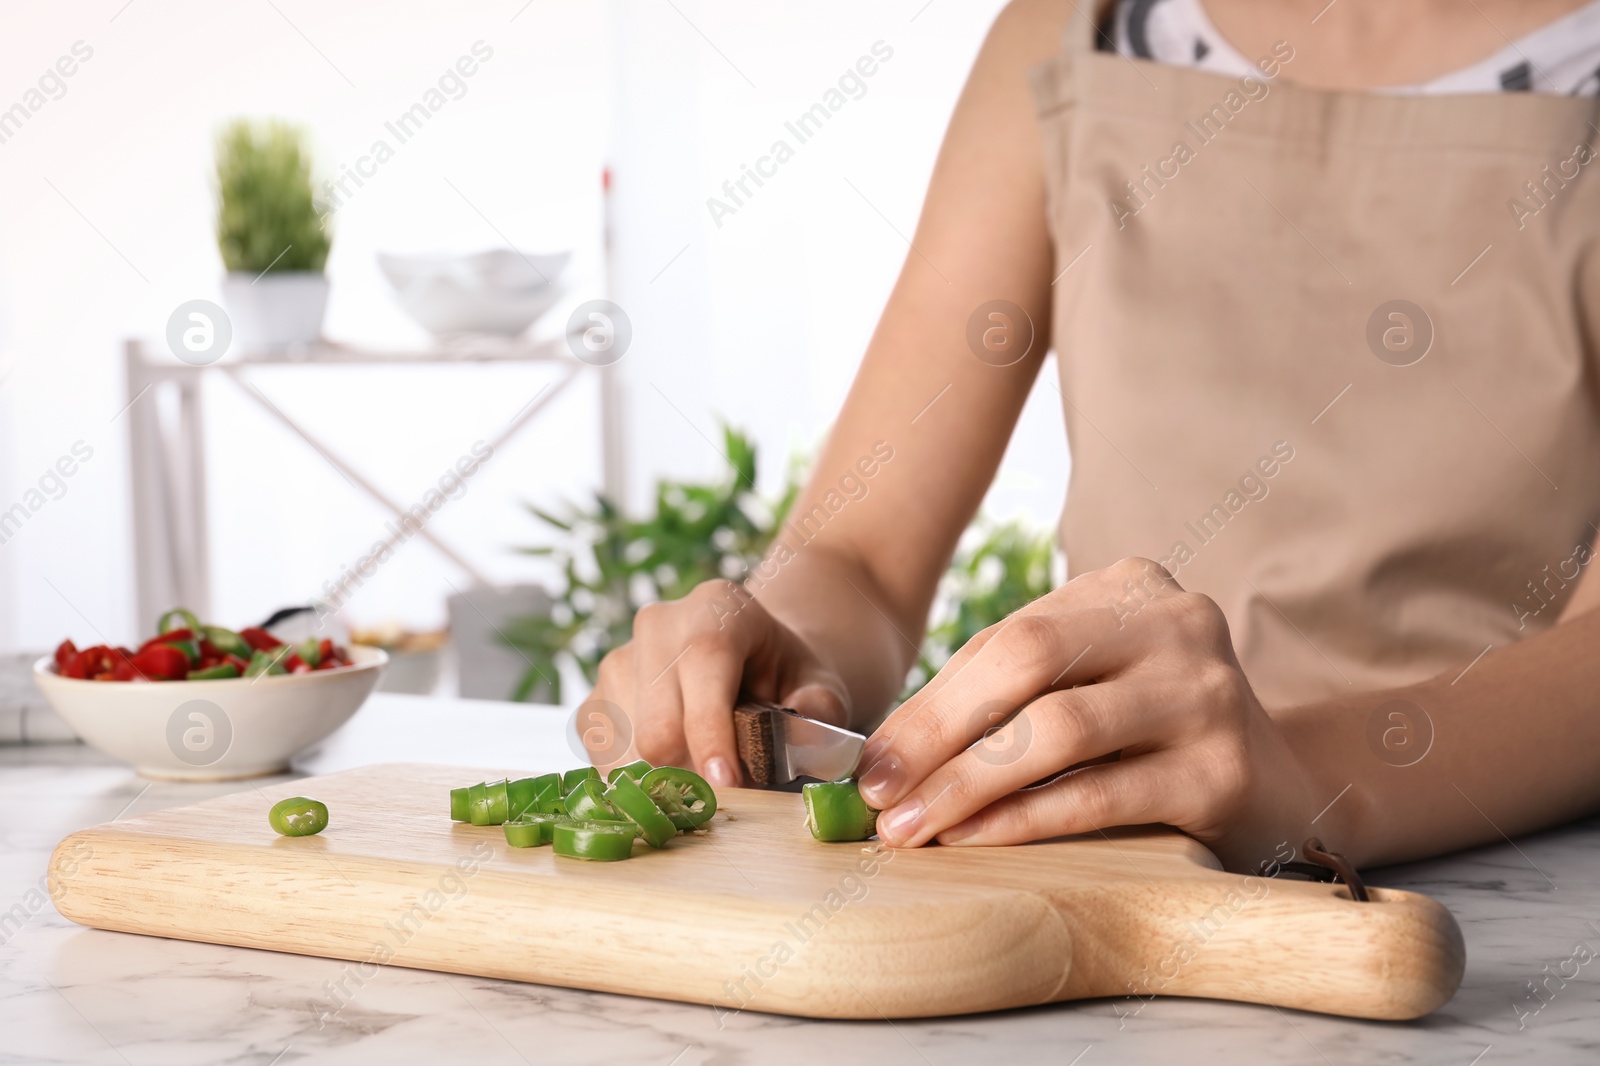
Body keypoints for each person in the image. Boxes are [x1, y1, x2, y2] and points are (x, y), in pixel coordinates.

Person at [589, 0, 1600, 873]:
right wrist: (775, 657)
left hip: (1504, 884)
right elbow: (861, 554)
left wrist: (1301, 775)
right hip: (1111, 867)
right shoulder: (1078, 34)